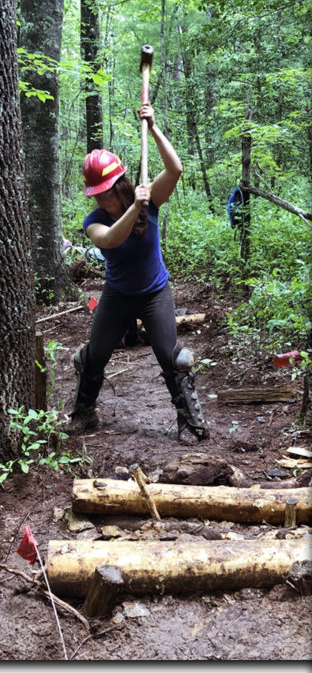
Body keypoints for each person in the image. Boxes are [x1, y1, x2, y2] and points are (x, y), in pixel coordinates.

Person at [70, 104, 206, 442]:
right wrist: (134, 207)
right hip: (117, 295)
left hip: (154, 292)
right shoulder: (95, 221)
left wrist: (154, 127)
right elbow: (112, 239)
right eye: (95, 194)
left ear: (119, 183)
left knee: (173, 357)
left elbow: (175, 169)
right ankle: (85, 413)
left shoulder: (149, 200)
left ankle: (189, 421)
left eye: (104, 192)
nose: (100, 199)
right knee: (94, 355)